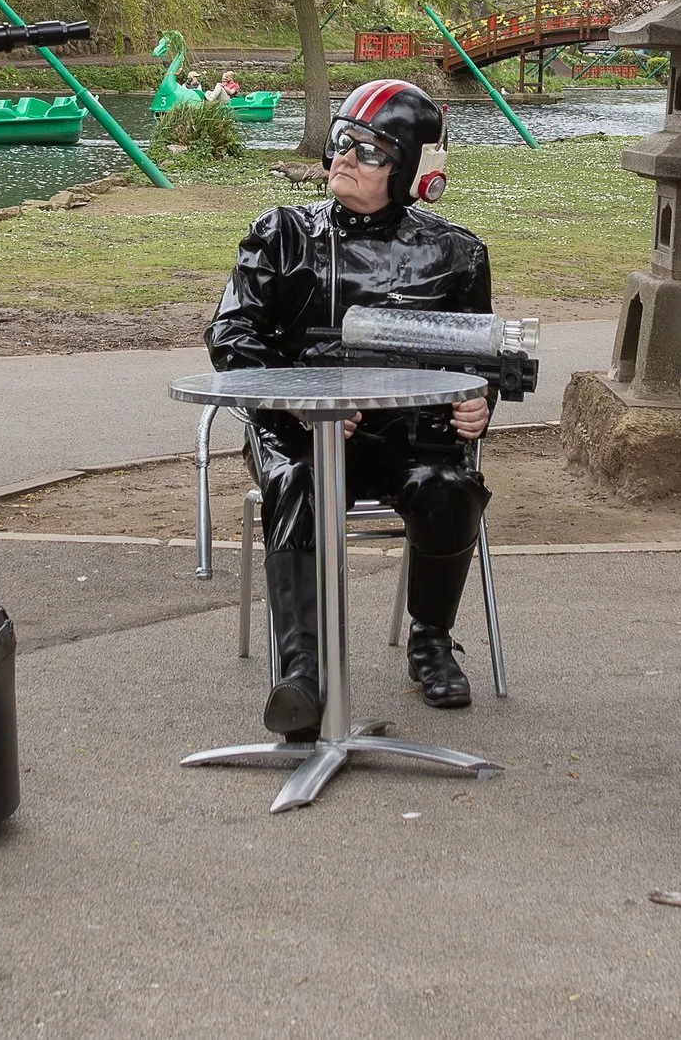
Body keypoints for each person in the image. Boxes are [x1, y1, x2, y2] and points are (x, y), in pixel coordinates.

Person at [206, 79, 491, 739]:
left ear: (414, 169)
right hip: (294, 431)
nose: (343, 157)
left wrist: (481, 404)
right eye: (341, 141)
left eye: (368, 150)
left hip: (413, 437)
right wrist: (299, 399)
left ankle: (432, 640)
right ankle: (302, 673)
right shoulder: (280, 234)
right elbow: (230, 333)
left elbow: (480, 360)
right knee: (299, 479)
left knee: (447, 486)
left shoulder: (456, 253)